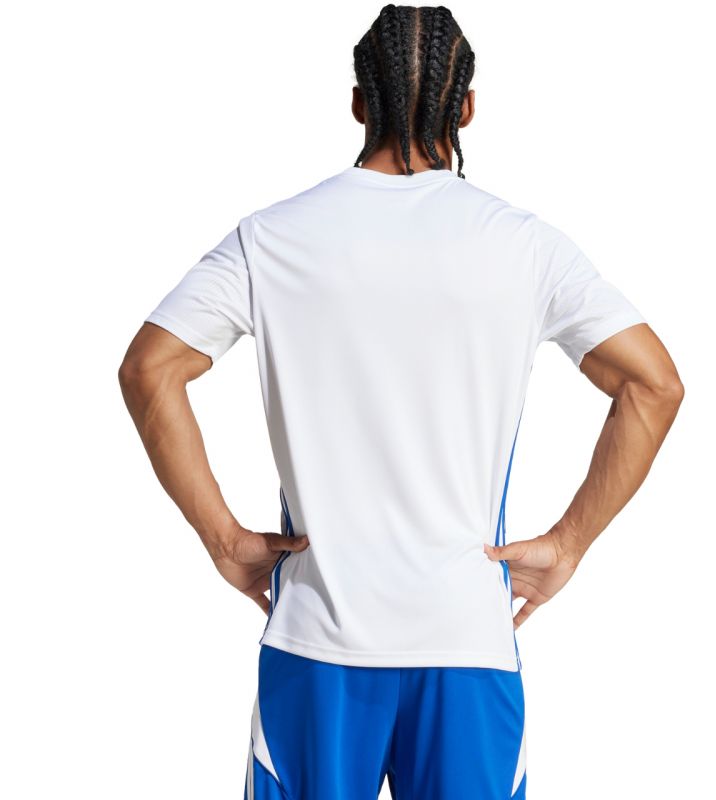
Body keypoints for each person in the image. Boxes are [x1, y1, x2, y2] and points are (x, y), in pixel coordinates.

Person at [118, 4, 684, 799]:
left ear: (359, 103)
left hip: (316, 640)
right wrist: (567, 545)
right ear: (467, 108)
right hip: (466, 641)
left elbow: (150, 370)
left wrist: (224, 539)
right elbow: (653, 384)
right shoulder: (525, 244)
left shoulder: (273, 237)